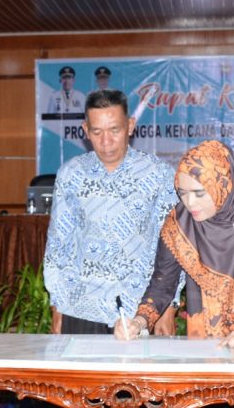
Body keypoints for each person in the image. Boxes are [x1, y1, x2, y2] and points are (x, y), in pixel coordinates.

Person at [114, 140, 234, 349]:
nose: (190, 203)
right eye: (183, 193)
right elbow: (163, 282)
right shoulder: (179, 223)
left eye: (199, 193)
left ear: (221, 183)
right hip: (209, 331)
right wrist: (139, 322)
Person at [43, 89, 182, 336]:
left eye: (114, 130)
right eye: (97, 132)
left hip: (139, 309)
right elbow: (58, 245)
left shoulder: (158, 174)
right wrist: (57, 304)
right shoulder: (71, 174)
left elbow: (173, 245)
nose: (106, 142)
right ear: (85, 130)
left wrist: (168, 306)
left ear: (130, 126)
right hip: (81, 307)